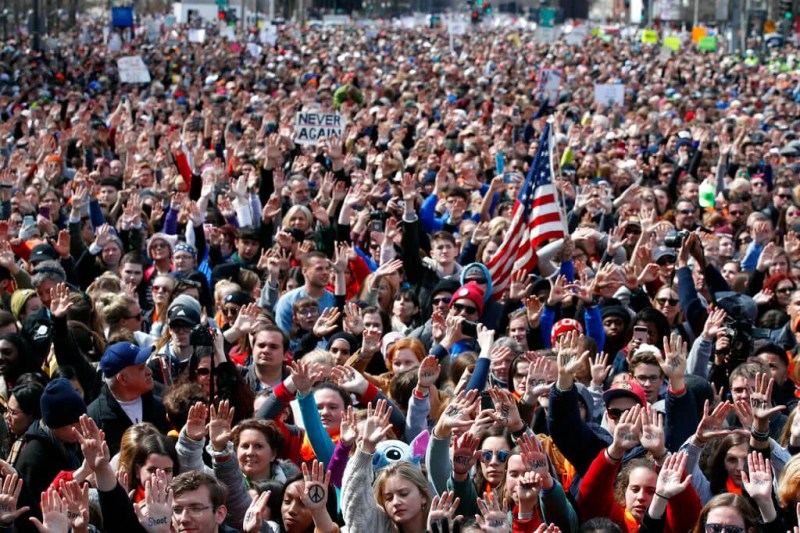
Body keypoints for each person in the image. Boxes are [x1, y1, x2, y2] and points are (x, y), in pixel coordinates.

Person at [88, 342, 170, 456]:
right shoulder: (94, 419)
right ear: (122, 378)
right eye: (141, 368)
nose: (149, 371)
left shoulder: (162, 406)